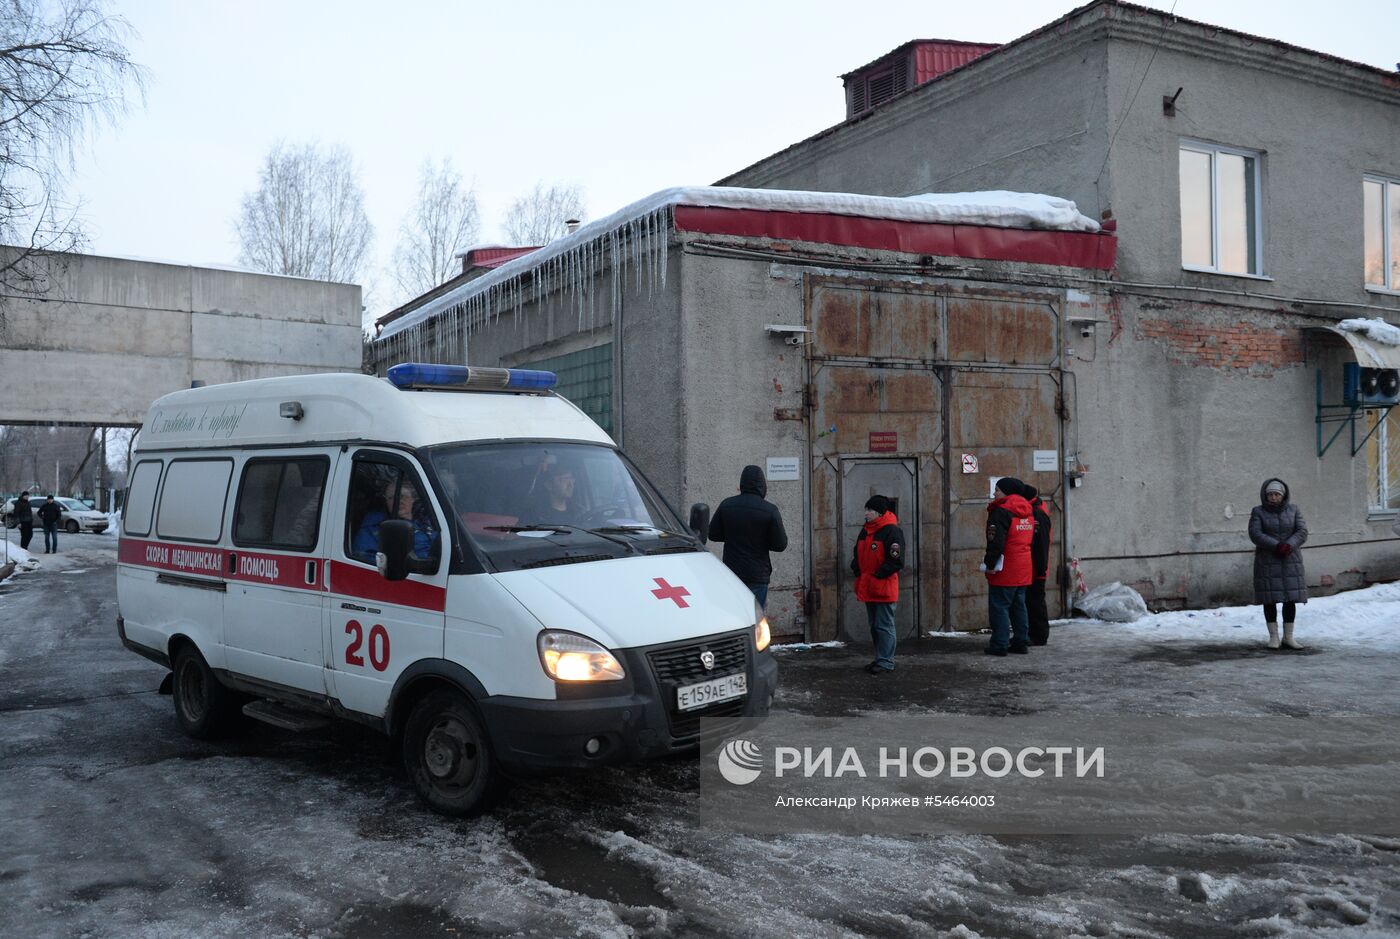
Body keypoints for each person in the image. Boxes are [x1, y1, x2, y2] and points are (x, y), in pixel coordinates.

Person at [708, 464, 788, 608]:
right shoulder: (770, 510)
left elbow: (713, 534)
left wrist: (733, 535)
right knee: (756, 619)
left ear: (742, 483)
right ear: (763, 485)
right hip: (757, 575)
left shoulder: (726, 505)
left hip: (732, 573)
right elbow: (780, 545)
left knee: (734, 615)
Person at [1248, 477, 1308, 649]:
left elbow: (1302, 531)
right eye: (1270, 495)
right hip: (1267, 561)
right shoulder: (1258, 512)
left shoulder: (1294, 510)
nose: (1273, 497)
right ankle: (1273, 637)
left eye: (1277, 494)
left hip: (1291, 559)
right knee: (1270, 599)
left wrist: (1289, 544)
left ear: (1283, 495)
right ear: (1265, 496)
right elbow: (1255, 534)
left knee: (1290, 599)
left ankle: (1288, 637)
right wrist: (1276, 545)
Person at [850, 495, 905, 674]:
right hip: (868, 585)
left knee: (884, 625)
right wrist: (857, 569)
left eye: (869, 510)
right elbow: (857, 553)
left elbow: (896, 561)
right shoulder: (866, 530)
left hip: (883, 586)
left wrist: (878, 574)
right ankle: (880, 658)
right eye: (866, 510)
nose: (866, 514)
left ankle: (886, 661)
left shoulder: (891, 531)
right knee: (874, 625)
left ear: (879, 512)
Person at [983, 477, 1035, 656]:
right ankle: (1021, 641)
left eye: (997, 490)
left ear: (1006, 492)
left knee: (999, 607)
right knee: (1019, 606)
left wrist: (989, 564)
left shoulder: (1001, 512)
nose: (994, 493)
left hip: (1005, 568)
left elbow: (996, 543)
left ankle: (999, 644)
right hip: (1023, 568)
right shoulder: (1028, 511)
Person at [353, 481, 437, 563]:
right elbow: (367, 558)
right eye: (391, 498)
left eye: (402, 496)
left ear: (413, 499)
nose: (397, 501)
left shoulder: (429, 521)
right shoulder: (373, 528)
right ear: (386, 502)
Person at [1021, 483, 1053, 646]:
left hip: (1036, 568)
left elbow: (1041, 544)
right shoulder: (1036, 509)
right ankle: (1033, 634)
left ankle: (1039, 636)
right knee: (1031, 601)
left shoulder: (1038, 515)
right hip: (1033, 566)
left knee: (1035, 602)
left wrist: (1040, 570)